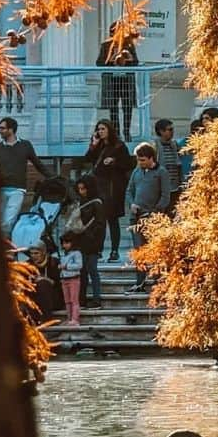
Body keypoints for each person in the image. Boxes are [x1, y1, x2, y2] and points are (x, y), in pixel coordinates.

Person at [0, 116, 48, 239]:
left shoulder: (25, 145)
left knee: (7, 222)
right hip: (0, 190)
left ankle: (5, 249)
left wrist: (53, 177)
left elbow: (37, 163)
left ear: (11, 130)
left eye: (2, 128)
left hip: (17, 190)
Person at [124, 142, 171, 291]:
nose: (140, 162)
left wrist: (155, 212)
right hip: (136, 218)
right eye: (138, 159)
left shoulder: (161, 172)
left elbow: (165, 196)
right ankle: (140, 283)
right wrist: (131, 204)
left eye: (143, 160)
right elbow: (129, 191)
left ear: (151, 158)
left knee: (156, 251)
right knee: (139, 252)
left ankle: (159, 284)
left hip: (153, 219)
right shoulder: (136, 172)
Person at [84, 119, 133, 262]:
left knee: (112, 220)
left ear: (109, 130)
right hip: (98, 185)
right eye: (98, 129)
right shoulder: (98, 145)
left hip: (113, 187)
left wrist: (114, 161)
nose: (100, 132)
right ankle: (98, 250)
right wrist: (93, 145)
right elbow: (88, 159)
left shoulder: (119, 146)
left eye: (103, 129)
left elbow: (128, 164)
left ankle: (114, 250)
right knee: (99, 220)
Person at [96, 21, 140, 141]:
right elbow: (99, 63)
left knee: (127, 106)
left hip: (126, 80)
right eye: (113, 32)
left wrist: (128, 59)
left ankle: (126, 132)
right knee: (113, 108)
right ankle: (116, 133)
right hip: (112, 81)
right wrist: (110, 60)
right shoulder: (106, 45)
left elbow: (136, 62)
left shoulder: (129, 44)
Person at [73, 175, 106, 308]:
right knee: (83, 272)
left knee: (92, 270)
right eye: (80, 189)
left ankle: (96, 299)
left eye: (83, 189)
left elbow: (100, 225)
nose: (82, 191)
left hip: (92, 243)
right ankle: (83, 299)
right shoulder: (81, 202)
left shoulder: (96, 203)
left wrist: (97, 244)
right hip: (82, 241)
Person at [153, 118, 184, 208]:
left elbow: (179, 165)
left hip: (175, 186)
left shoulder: (175, 145)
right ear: (161, 131)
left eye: (172, 129)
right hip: (160, 188)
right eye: (169, 130)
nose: (172, 132)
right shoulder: (155, 146)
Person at [58, 232, 83, 327]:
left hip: (74, 279)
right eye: (63, 243)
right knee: (67, 301)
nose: (65, 245)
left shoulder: (77, 253)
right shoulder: (64, 254)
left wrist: (66, 266)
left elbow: (79, 265)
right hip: (64, 279)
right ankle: (69, 318)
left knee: (74, 300)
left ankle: (75, 319)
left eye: (67, 243)